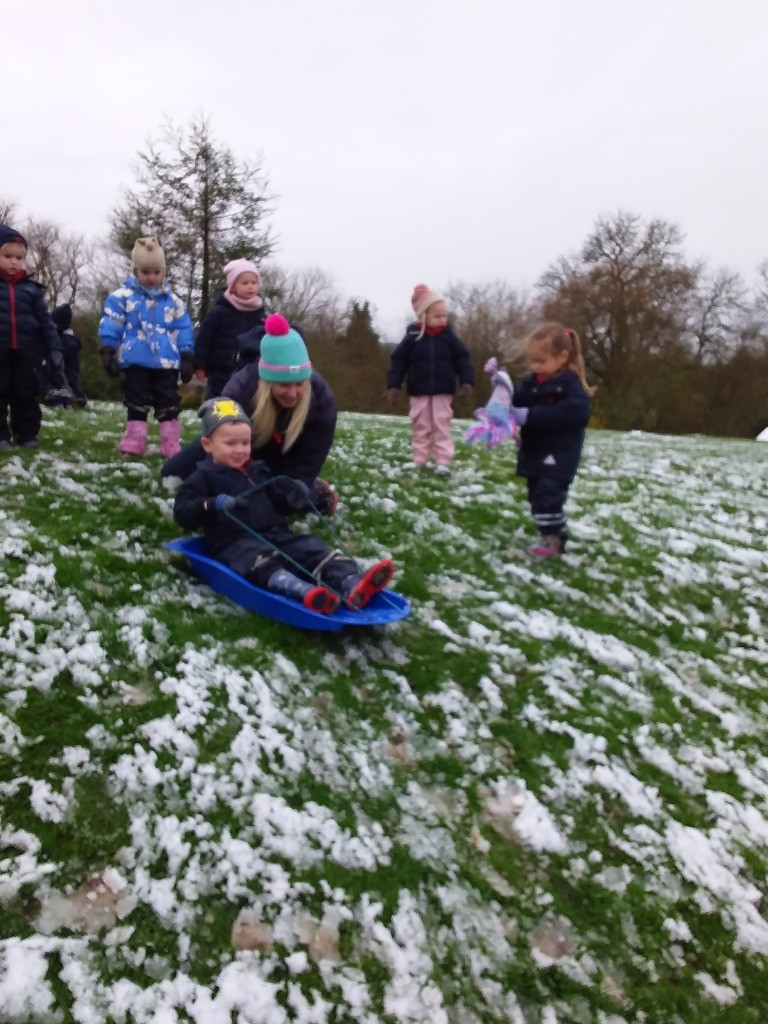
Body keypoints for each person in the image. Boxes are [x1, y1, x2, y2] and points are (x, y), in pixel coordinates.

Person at [173, 398, 395, 614]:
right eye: (230, 443)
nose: (240, 450)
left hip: (276, 534)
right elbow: (182, 512)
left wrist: (294, 495)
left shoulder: (258, 471)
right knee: (259, 562)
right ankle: (303, 592)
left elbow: (278, 498)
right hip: (235, 543)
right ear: (207, 444)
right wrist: (210, 504)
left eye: (245, 443)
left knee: (311, 548)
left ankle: (351, 583)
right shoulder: (202, 478)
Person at [162, 313, 338, 516]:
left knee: (283, 500)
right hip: (241, 448)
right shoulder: (241, 390)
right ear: (267, 382)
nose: (292, 393)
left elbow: (308, 460)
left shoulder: (322, 401)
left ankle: (320, 493)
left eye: (299, 384)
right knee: (174, 473)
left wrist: (297, 483)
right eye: (283, 385)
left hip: (285, 459)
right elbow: (221, 439)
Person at [98, 236, 194, 458]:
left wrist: (187, 355)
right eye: (145, 272)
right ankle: (135, 438)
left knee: (168, 401)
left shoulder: (174, 302)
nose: (151, 278)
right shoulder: (122, 297)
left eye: (156, 272)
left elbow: (183, 328)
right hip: (135, 359)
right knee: (136, 399)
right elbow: (112, 322)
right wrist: (108, 349)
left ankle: (170, 441)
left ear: (163, 272)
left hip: (166, 361)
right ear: (136, 271)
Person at [509, 322, 592, 557]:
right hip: (536, 450)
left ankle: (553, 540)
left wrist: (530, 415)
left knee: (548, 494)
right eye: (533, 360)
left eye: (541, 361)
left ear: (563, 357)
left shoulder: (570, 386)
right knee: (536, 495)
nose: (535, 366)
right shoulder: (532, 383)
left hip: (559, 453)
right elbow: (518, 401)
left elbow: (575, 413)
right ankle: (550, 532)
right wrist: (504, 402)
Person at [386, 283, 474, 476]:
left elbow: (463, 358)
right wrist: (394, 385)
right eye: (437, 316)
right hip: (418, 390)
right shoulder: (412, 337)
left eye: (444, 315)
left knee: (441, 424)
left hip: (443, 389)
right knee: (421, 425)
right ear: (423, 316)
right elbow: (398, 361)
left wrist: (466, 381)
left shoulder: (449, 337)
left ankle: (443, 461)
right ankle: (420, 458)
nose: (443, 319)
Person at [0, 224, 65, 448]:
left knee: (26, 393)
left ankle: (27, 433)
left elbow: (47, 324)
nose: (14, 261)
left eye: (19, 257)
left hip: (27, 350)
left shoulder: (32, 290)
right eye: (7, 256)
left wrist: (54, 349)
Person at [193, 259, 267, 400]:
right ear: (232, 287)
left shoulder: (261, 315)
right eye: (244, 283)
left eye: (254, 282)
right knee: (217, 402)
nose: (250, 286)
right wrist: (199, 365)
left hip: (249, 371)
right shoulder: (219, 312)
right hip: (221, 370)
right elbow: (204, 339)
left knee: (246, 402)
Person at [464, 357, 517, 449]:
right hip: (499, 408)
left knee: (491, 425)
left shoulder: (499, 385)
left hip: (495, 407)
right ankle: (490, 442)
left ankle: (488, 441)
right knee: (497, 426)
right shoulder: (503, 387)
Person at [52, 304, 87, 407]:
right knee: (73, 382)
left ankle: (75, 397)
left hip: (66, 376)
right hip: (71, 375)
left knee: (69, 382)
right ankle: (78, 396)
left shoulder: (65, 341)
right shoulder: (70, 339)